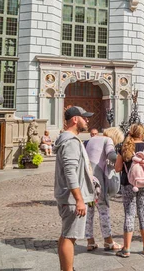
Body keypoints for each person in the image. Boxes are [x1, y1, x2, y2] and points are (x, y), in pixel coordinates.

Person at [53, 106, 95, 271]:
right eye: (84, 117)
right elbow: (70, 171)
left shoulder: (68, 140)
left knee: (66, 235)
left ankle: (66, 268)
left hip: (68, 196)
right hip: (72, 199)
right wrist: (79, 199)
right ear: (75, 119)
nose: (87, 121)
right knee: (70, 237)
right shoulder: (70, 142)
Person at [114, 124, 144, 258]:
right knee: (143, 212)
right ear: (143, 134)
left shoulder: (125, 147)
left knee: (129, 214)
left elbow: (117, 168)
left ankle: (126, 248)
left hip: (128, 184)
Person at [85, 127, 124, 252]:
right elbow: (112, 155)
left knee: (89, 211)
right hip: (98, 182)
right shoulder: (108, 140)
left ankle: (90, 241)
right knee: (103, 210)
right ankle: (108, 241)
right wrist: (123, 158)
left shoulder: (91, 140)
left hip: (87, 180)